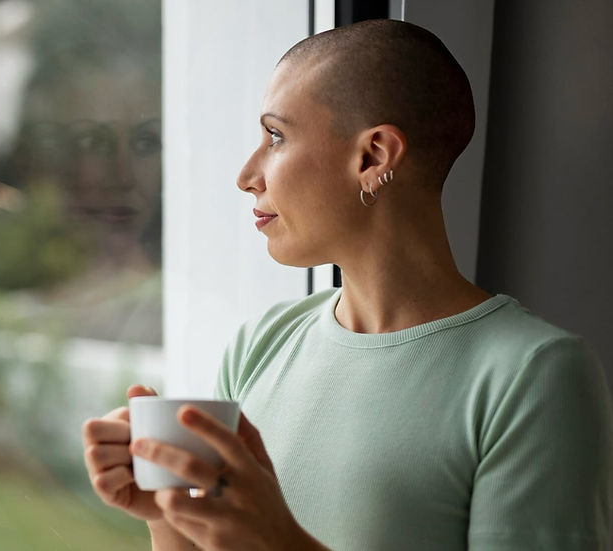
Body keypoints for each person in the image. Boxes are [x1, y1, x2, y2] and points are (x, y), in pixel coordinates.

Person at [81, 19, 613, 551]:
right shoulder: (260, 345)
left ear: (373, 156)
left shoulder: (535, 376)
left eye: (275, 136)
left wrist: (278, 540)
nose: (247, 174)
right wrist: (166, 514)